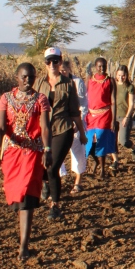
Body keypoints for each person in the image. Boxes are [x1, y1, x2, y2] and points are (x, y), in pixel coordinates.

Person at [0, 63, 51, 260]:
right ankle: (23, 242)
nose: (28, 80)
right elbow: (1, 127)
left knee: (27, 197)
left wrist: (47, 149)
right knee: (16, 196)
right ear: (17, 77)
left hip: (32, 155)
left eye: (32, 77)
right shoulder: (6, 99)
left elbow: (44, 127)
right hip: (12, 155)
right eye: (24, 77)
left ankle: (23, 247)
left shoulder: (41, 99)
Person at [33, 47, 87, 220]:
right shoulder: (39, 84)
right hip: (43, 130)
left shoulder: (68, 84)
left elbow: (74, 112)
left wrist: (83, 132)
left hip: (63, 128)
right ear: (45, 64)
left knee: (53, 166)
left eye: (55, 61)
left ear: (60, 61)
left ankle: (55, 206)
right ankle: (47, 184)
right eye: (48, 61)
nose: (52, 64)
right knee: (41, 167)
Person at [59, 59, 88, 194]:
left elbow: (83, 105)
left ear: (69, 69)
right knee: (57, 152)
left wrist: (78, 123)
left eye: (64, 70)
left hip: (76, 121)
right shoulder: (54, 83)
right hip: (60, 123)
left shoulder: (77, 82)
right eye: (60, 71)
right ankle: (58, 179)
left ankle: (78, 182)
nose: (62, 73)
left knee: (78, 150)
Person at [85, 57, 117, 177]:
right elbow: (84, 98)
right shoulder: (89, 80)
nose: (102, 68)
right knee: (90, 143)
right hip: (91, 115)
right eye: (99, 66)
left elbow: (113, 100)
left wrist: (113, 119)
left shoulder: (110, 81)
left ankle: (102, 170)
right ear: (95, 67)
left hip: (105, 115)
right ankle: (96, 162)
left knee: (100, 139)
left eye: (104, 66)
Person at [112, 65, 135, 167]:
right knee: (112, 140)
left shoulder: (130, 87)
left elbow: (131, 104)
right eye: (119, 75)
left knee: (123, 141)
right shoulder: (113, 85)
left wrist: (127, 117)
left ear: (127, 75)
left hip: (124, 116)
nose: (121, 77)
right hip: (114, 116)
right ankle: (116, 161)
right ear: (116, 75)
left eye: (123, 75)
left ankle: (134, 148)